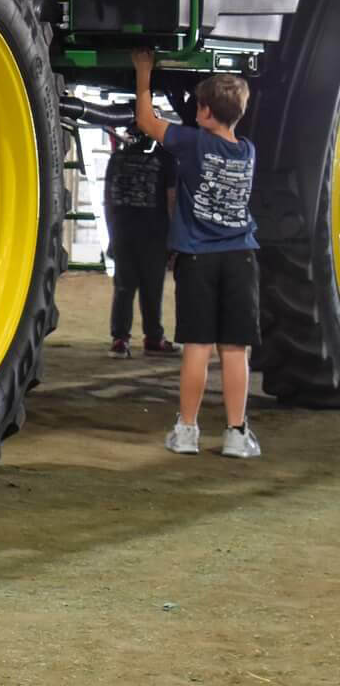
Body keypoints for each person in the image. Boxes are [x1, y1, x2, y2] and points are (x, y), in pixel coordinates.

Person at [132, 51, 262, 459]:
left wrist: (143, 72)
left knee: (198, 347)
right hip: (241, 257)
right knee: (235, 350)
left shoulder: (192, 143)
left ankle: (187, 430)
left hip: (197, 258)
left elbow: (146, 121)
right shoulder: (248, 151)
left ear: (204, 112)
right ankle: (236, 433)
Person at [103, 130, 177, 359]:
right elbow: (171, 200)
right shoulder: (165, 158)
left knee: (123, 287)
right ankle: (153, 339)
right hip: (154, 234)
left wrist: (112, 233)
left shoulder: (117, 159)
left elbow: (108, 200)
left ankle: (120, 340)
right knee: (152, 288)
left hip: (122, 231)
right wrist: (174, 237)